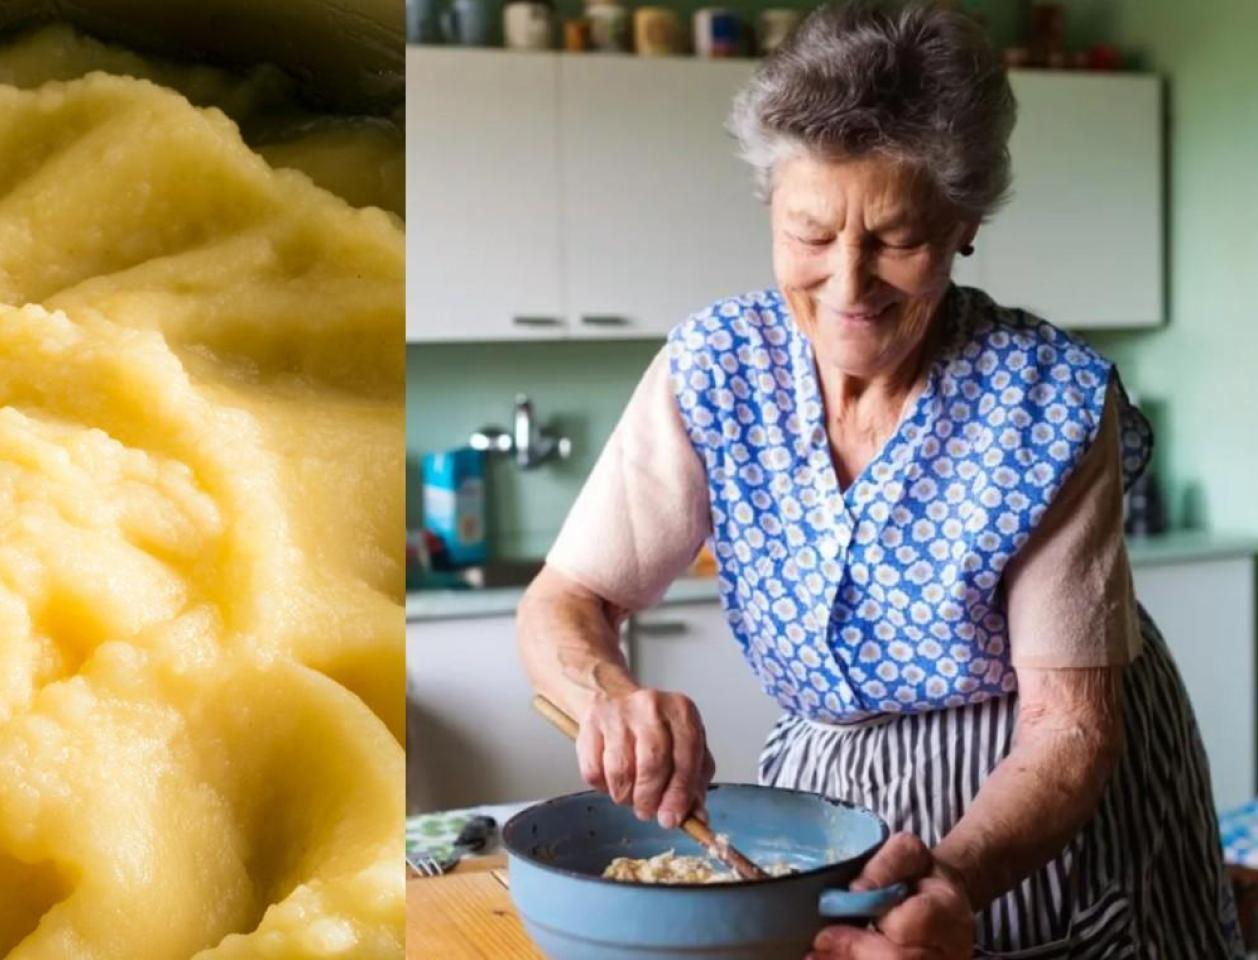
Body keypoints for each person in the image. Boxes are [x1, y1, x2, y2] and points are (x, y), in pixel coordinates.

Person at [516, 2, 1239, 956]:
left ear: (964, 221)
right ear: (772, 203)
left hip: (1039, 804)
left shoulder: (1048, 402)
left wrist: (953, 877)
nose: (849, 287)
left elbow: (1069, 726)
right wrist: (608, 692)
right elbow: (567, 597)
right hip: (830, 801)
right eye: (812, 235)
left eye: (897, 239)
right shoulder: (715, 366)